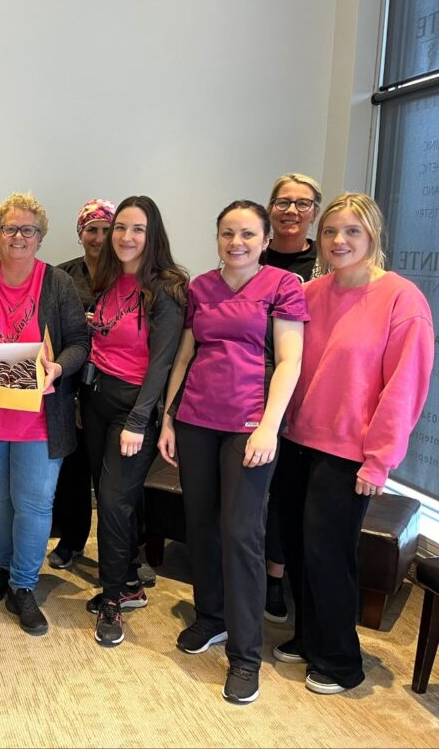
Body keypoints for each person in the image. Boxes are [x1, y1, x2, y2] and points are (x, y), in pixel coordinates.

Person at [274, 193, 433, 695]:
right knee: (298, 547)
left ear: (373, 236)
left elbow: (405, 385)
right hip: (295, 439)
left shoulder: (401, 298)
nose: (338, 240)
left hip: (348, 452)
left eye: (352, 231)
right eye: (330, 231)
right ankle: (308, 637)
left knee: (329, 554)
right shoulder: (309, 293)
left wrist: (379, 460)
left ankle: (341, 661)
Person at [157, 200, 306, 704]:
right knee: (199, 524)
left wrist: (269, 427)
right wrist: (169, 418)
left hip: (249, 426)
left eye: (247, 234)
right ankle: (211, 617)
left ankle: (245, 655)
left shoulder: (283, 286)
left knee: (241, 534)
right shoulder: (200, 287)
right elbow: (185, 356)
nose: (236, 243)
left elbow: (289, 362)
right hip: (196, 421)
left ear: (265, 240)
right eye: (227, 233)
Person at [0, 191, 89, 636]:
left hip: (40, 419)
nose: (19, 236)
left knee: (34, 503)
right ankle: (6, 569)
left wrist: (58, 368)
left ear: (40, 237)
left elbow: (79, 343)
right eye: (10, 228)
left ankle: (24, 585)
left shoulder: (58, 284)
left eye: (28, 229)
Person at [85, 196, 186, 646]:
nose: (126, 237)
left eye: (138, 229)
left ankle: (112, 600)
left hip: (133, 409)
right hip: (96, 400)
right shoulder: (108, 280)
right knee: (111, 498)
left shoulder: (167, 288)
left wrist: (140, 421)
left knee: (112, 503)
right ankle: (127, 582)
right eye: (120, 228)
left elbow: (162, 363)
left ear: (153, 234)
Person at [261, 172, 323, 624]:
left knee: (289, 487)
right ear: (270, 209)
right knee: (260, 483)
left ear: (314, 212)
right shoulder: (252, 252)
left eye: (303, 204)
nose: (291, 211)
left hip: (309, 383)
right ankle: (260, 572)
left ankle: (279, 573)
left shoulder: (327, 261)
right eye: (283, 202)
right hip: (253, 381)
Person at [48, 198, 115, 570]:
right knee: (72, 470)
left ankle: (127, 552)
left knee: (114, 476)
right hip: (69, 381)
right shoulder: (62, 276)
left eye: (106, 230)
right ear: (80, 233)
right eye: (92, 230)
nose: (99, 238)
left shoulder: (128, 275)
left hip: (113, 384)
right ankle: (71, 540)